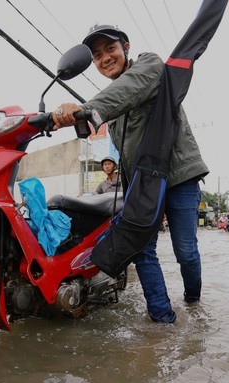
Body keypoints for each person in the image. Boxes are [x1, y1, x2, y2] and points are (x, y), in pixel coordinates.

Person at [52, 24, 209, 323]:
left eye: (110, 49)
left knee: (186, 250)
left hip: (179, 175)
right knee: (141, 249)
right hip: (143, 185)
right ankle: (163, 320)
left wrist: (88, 109)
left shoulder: (149, 65)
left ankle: (193, 302)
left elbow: (128, 88)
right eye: (97, 56)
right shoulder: (114, 104)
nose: (105, 59)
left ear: (125, 46)